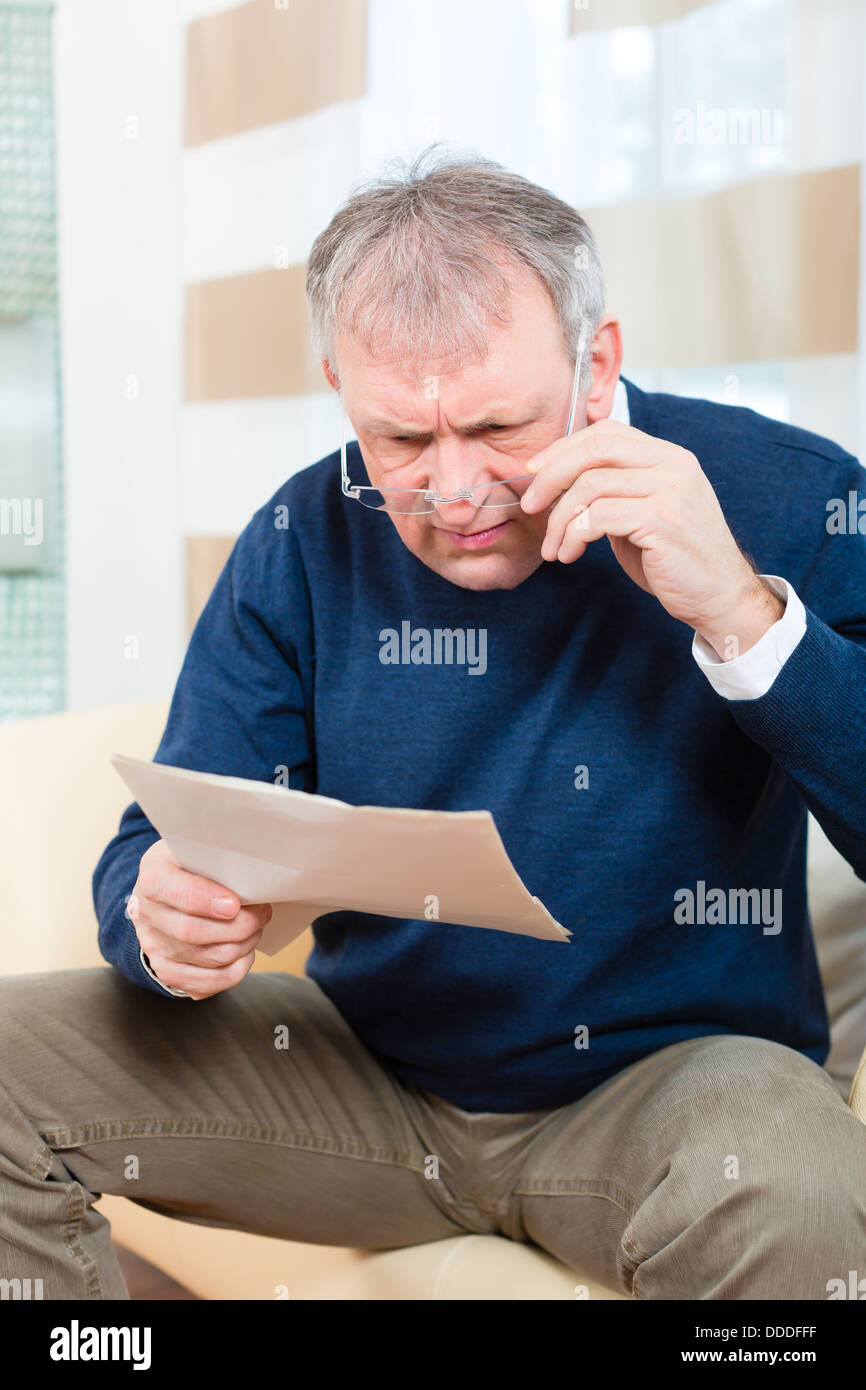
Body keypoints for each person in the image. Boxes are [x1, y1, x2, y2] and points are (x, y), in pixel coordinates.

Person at [2, 148, 865, 1301]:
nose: (452, 491)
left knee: (796, 1176)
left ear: (594, 362)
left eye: (498, 428)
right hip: (365, 1080)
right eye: (400, 441)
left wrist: (744, 618)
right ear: (338, 386)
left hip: (667, 1091)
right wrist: (159, 921)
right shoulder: (302, 534)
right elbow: (157, 838)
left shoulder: (786, 497)